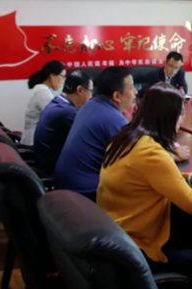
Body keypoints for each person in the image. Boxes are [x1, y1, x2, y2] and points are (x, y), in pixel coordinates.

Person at [97, 82, 192, 280]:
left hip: (118, 236)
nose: (182, 120)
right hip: (137, 248)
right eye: (180, 114)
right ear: (169, 118)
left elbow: (152, 176)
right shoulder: (151, 153)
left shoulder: (125, 138)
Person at [54, 67, 136, 201]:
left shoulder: (90, 105)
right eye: (131, 88)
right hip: (85, 194)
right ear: (117, 96)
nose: (136, 92)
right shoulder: (113, 119)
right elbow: (139, 159)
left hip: (65, 188)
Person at [33, 70, 94, 176]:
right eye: (90, 91)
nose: (91, 97)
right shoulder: (68, 113)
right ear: (80, 90)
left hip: (44, 165)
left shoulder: (58, 102)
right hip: (54, 172)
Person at [21, 60, 66, 146]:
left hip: (37, 138)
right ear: (52, 76)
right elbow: (56, 116)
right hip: (33, 142)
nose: (63, 81)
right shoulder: (42, 90)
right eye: (62, 76)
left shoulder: (43, 89)